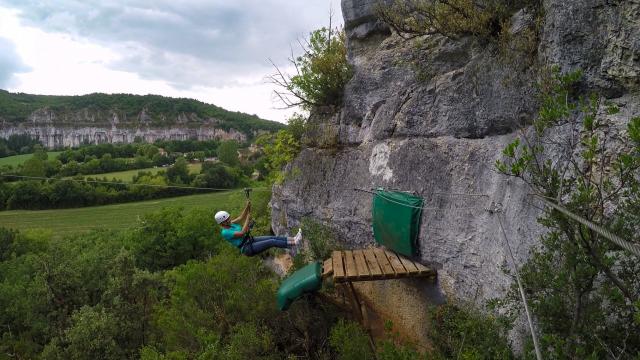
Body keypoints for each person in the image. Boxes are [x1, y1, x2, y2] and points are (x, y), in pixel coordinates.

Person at [215, 201, 302, 257]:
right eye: (227, 220)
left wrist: (247, 206)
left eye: (229, 218)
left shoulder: (231, 224)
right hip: (247, 248)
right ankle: (294, 243)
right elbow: (242, 233)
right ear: (222, 223)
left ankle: (293, 239)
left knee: (272, 238)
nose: (230, 220)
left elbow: (241, 217)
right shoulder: (225, 232)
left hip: (250, 240)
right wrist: (248, 220)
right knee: (272, 242)